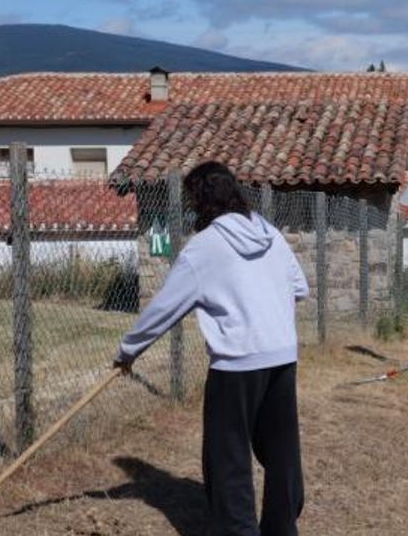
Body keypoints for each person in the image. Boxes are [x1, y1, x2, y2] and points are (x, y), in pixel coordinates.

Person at [113, 161, 309, 536]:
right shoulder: (269, 231)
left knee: (228, 458)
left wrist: (128, 350)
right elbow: (299, 287)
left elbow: (164, 308)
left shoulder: (203, 248)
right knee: (282, 451)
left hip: (236, 364)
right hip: (282, 355)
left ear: (200, 200)